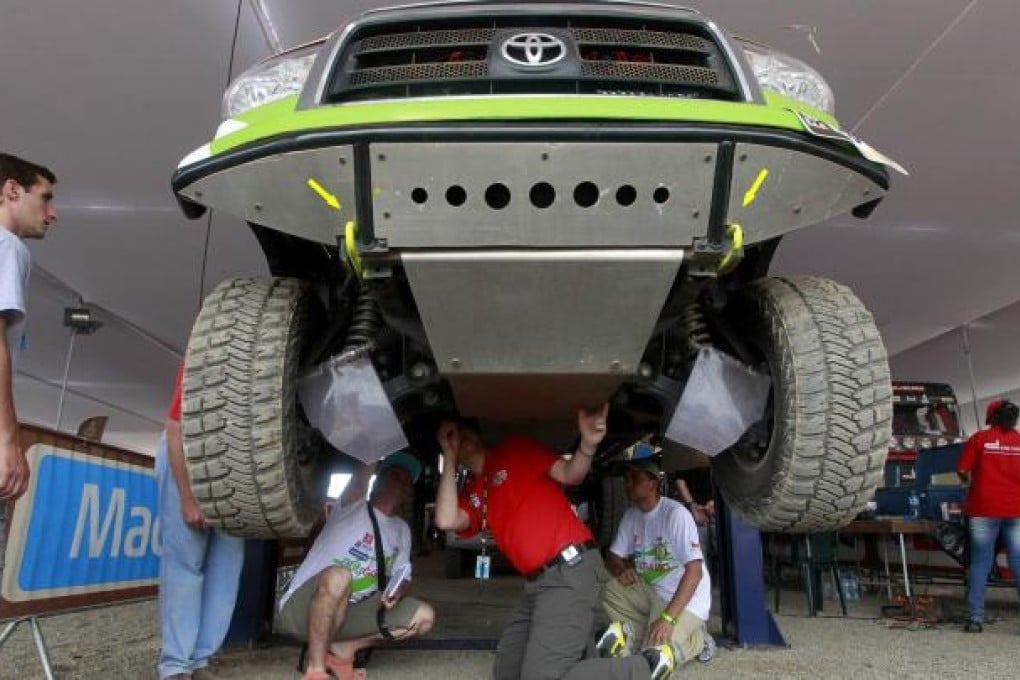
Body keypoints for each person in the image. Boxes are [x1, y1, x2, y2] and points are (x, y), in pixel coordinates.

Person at [434, 405, 610, 680]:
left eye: (463, 430)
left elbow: (570, 474)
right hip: (538, 584)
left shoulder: (514, 449)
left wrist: (587, 446)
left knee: (541, 675)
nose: (459, 437)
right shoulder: (475, 492)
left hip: (570, 566)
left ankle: (645, 666)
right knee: (508, 670)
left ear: (477, 431)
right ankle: (594, 652)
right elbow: (446, 520)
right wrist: (449, 455)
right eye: (450, 435)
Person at [277, 452, 435, 680]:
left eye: (407, 480)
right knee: (340, 576)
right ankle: (316, 669)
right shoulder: (351, 505)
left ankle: (343, 651)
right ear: (377, 481)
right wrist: (378, 444)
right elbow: (364, 470)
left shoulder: (402, 529)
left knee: (424, 617)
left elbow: (404, 576)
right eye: (394, 475)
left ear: (409, 492)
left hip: (352, 611)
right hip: (304, 610)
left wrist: (398, 591)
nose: (401, 481)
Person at [589, 456, 714, 679]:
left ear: (652, 483)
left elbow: (694, 573)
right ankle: (637, 635)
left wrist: (668, 619)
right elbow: (613, 557)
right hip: (652, 592)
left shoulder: (675, 514)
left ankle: (697, 640)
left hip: (686, 600)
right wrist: (621, 569)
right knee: (604, 586)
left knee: (652, 661)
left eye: (634, 478)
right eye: (627, 478)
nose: (628, 484)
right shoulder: (632, 515)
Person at [157, 365, 245, 679]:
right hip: (187, 451)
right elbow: (175, 426)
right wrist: (187, 497)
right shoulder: (206, 357)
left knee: (227, 564)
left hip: (233, 460)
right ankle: (175, 664)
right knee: (186, 561)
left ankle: (201, 660)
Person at [0, 153, 57, 502]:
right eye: (45, 198)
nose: (52, 213)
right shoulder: (8, 245)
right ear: (12, 191)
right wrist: (7, 438)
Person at [957, 398, 1020, 633]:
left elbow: (962, 470)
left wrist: (969, 482)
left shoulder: (979, 439)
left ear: (991, 417)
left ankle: (975, 619)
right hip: (1016, 509)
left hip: (983, 508)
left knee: (981, 563)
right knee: (1018, 562)